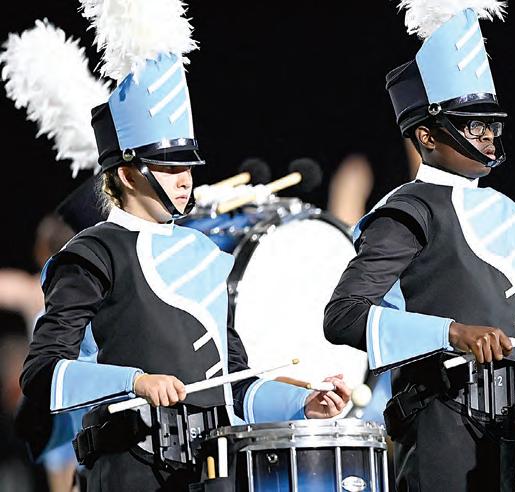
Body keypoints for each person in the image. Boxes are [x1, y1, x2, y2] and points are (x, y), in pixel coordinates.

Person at [17, 2, 349, 490]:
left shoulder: (206, 255)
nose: (185, 180)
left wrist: (303, 403)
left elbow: (234, 384)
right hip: (130, 471)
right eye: (169, 166)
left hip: (213, 472)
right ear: (127, 173)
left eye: (188, 167)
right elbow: (43, 373)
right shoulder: (91, 254)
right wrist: (134, 382)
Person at [324, 3, 515, 490]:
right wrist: (451, 333)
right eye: (473, 125)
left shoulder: (507, 213)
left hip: (513, 426)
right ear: (427, 135)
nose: (489, 137)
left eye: (492, 124)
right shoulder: (408, 209)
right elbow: (343, 315)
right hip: (439, 423)